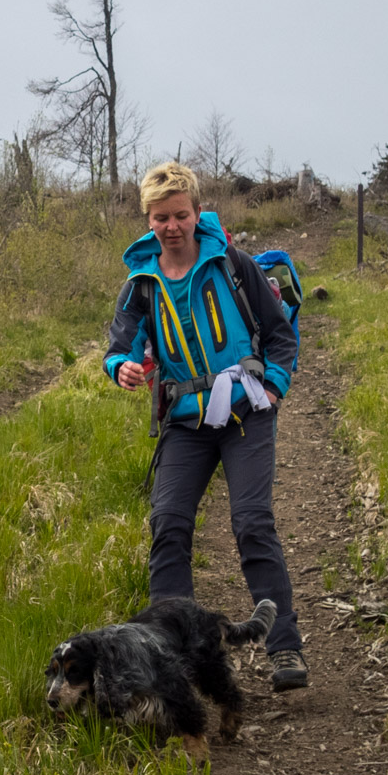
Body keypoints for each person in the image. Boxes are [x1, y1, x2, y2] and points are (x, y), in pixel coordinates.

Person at [103, 161, 307, 691]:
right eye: (159, 218)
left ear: (196, 212)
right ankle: (168, 660)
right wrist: (120, 367)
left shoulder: (232, 265)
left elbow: (281, 335)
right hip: (184, 424)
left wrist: (274, 386)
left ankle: (284, 649)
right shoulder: (139, 285)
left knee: (252, 523)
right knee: (168, 526)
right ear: (147, 219)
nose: (170, 227)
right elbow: (120, 347)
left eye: (179, 215)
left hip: (246, 416)